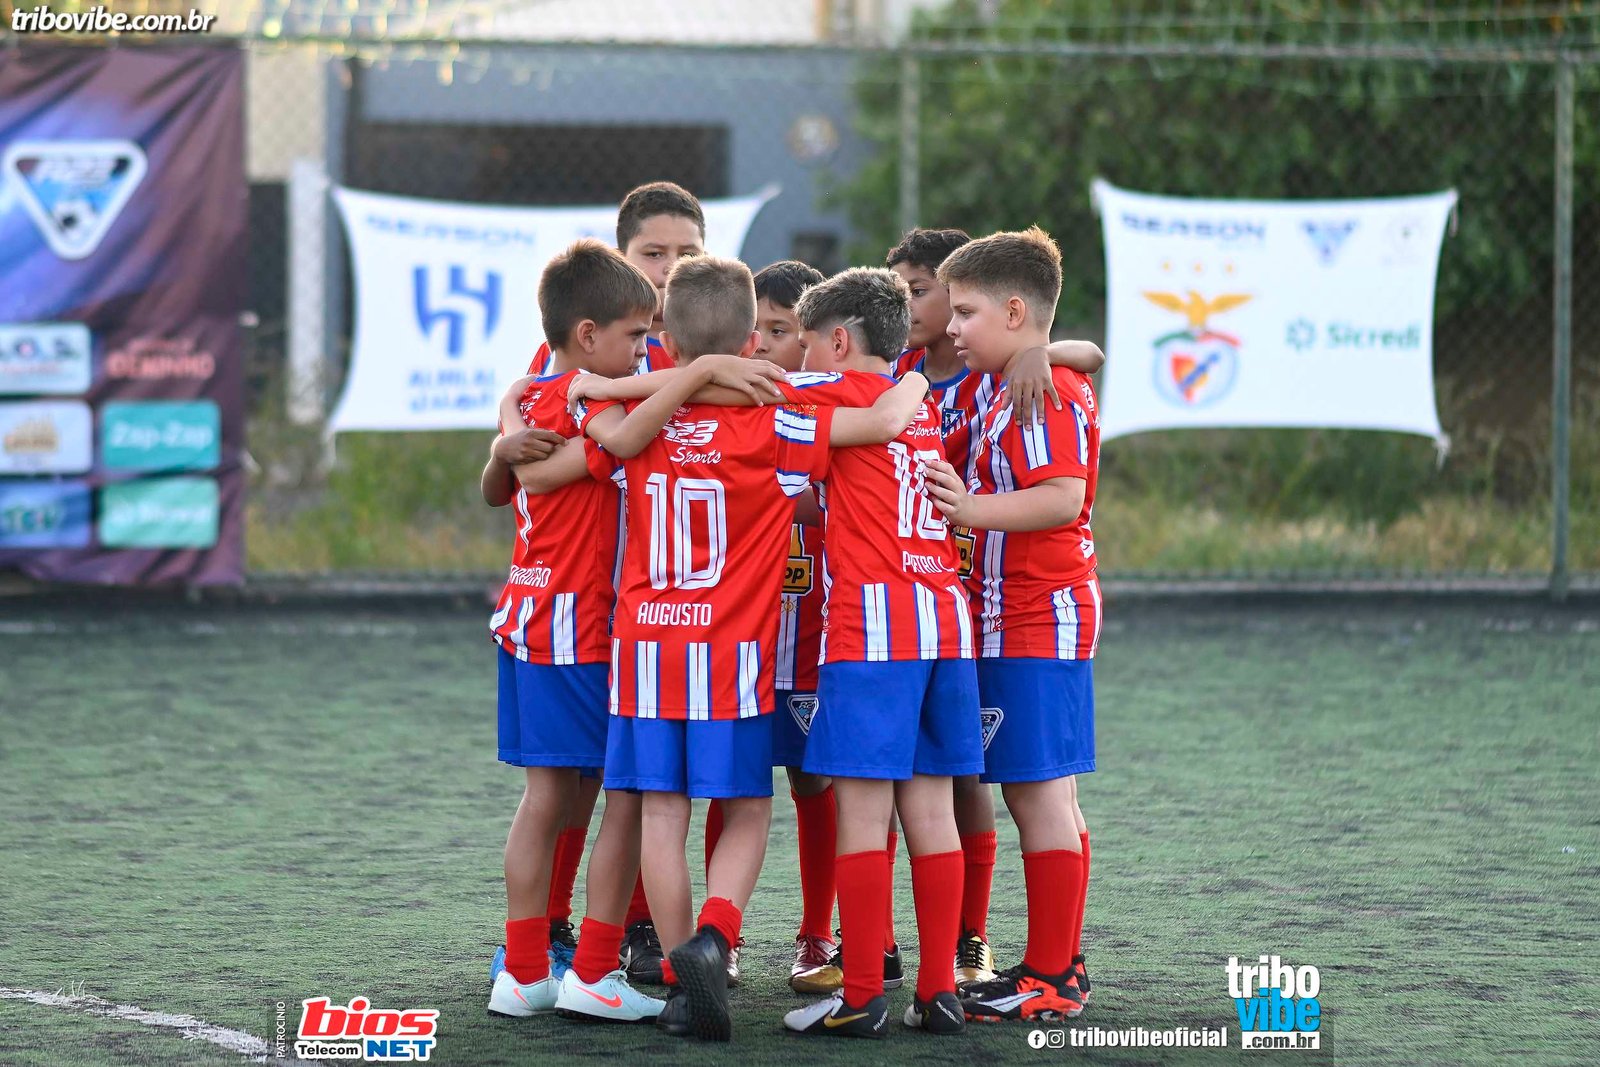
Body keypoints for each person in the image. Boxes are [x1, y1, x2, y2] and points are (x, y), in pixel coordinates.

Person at [923, 226, 1101, 1023]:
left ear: (1017, 311)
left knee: (1038, 794)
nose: (952, 325)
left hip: (1038, 613)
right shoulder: (1006, 383)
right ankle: (1058, 962)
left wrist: (969, 509)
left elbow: (1062, 496)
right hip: (1015, 615)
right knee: (1044, 791)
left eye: (965, 311)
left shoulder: (1041, 387)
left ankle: (1053, 976)